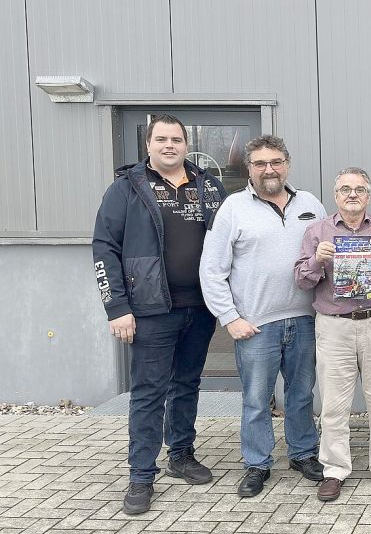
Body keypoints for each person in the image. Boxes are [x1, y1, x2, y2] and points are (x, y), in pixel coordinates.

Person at [92, 114, 226, 515]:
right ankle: (141, 474)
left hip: (200, 308)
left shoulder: (209, 187)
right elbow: (104, 249)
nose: (170, 145)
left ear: (187, 145)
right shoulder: (126, 189)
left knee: (187, 383)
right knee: (149, 392)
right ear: (148, 145)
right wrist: (117, 307)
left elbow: (229, 242)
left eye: (177, 139)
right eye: (162, 139)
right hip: (150, 310)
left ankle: (181, 454)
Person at [200, 135, 326, 497]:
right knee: (257, 398)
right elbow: (211, 270)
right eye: (259, 163)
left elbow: (327, 255)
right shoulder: (232, 209)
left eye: (275, 162)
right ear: (249, 168)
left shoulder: (311, 204)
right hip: (255, 325)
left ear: (287, 163)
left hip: (304, 320)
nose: (269, 169)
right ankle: (257, 463)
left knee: (302, 394)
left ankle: (303, 453)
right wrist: (230, 317)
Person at [294, 167, 371, 501]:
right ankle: (334, 469)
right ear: (336, 195)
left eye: (359, 189)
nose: (352, 194)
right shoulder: (318, 232)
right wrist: (317, 260)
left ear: (368, 196)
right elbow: (301, 280)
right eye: (346, 189)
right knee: (333, 402)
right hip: (334, 326)